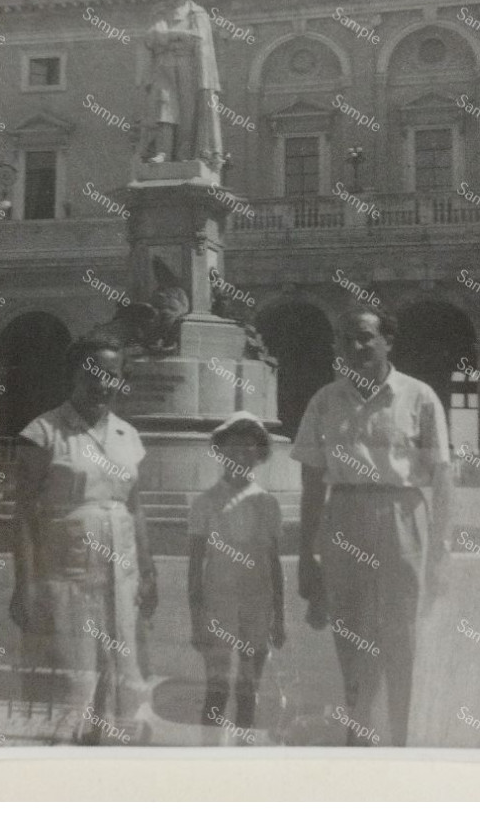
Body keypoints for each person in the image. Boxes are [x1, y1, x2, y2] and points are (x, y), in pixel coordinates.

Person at [291, 305, 453, 746]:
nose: (356, 346)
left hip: (402, 516)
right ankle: (359, 731)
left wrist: (439, 553)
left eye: (365, 337)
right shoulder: (324, 401)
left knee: (401, 630)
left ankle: (400, 733)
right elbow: (310, 482)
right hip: (344, 515)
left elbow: (442, 478)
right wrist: (308, 555)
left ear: (388, 342)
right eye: (346, 338)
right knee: (350, 629)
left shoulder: (419, 397)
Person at [9, 334, 157, 744]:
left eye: (112, 375)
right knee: (71, 683)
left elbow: (135, 507)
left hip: (120, 578)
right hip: (65, 577)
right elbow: (23, 514)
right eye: (92, 372)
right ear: (72, 374)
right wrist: (25, 584)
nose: (102, 383)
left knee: (119, 678)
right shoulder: (43, 432)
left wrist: (148, 571)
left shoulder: (129, 436)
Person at [188, 412, 285, 738]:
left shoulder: (267, 502)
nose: (241, 455)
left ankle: (244, 764)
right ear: (221, 451)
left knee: (248, 690)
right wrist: (196, 616)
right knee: (217, 689)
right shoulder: (205, 502)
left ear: (259, 455)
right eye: (234, 448)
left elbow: (274, 563)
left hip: (258, 603)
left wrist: (280, 617)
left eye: (249, 449)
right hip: (219, 602)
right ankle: (209, 764)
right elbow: (195, 565)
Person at [136, 0, 223, 169]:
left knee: (187, 111)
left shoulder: (197, 13)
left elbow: (199, 40)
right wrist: (179, 35)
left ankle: (186, 152)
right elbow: (151, 37)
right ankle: (162, 151)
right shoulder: (159, 13)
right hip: (163, 65)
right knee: (163, 106)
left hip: (189, 68)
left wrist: (168, 35)